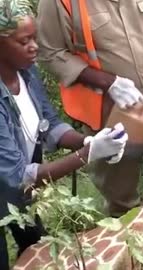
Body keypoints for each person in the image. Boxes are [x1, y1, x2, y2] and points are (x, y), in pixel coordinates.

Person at [36, 0, 143, 218]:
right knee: (121, 199)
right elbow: (51, 53)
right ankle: (138, 248)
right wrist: (109, 83)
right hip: (110, 110)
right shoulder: (60, 3)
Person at [0, 1, 128, 268]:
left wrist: (90, 140)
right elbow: (19, 178)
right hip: (14, 186)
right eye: (24, 41)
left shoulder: (27, 73)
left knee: (37, 248)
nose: (34, 47)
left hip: (20, 198)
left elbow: (51, 126)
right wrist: (88, 154)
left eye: (35, 38)